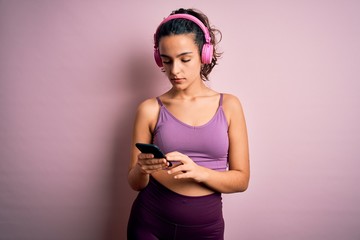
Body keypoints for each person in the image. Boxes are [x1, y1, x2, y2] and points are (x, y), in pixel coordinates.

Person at [127, 8, 250, 240]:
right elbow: (135, 183)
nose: (174, 70)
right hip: (149, 224)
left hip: (205, 230)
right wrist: (141, 169)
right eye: (166, 61)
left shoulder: (229, 105)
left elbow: (241, 180)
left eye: (185, 59)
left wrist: (198, 172)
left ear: (204, 54)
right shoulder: (149, 109)